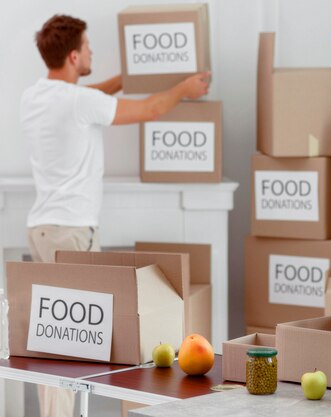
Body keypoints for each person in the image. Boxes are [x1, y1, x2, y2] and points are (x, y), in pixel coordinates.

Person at [20, 14, 210, 417]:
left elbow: (87, 95)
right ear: (73, 56)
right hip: (71, 235)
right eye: (88, 48)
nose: (93, 52)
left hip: (42, 230)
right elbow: (152, 110)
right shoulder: (78, 102)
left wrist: (123, 79)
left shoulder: (37, 95)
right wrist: (186, 87)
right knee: (72, 346)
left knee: (55, 339)